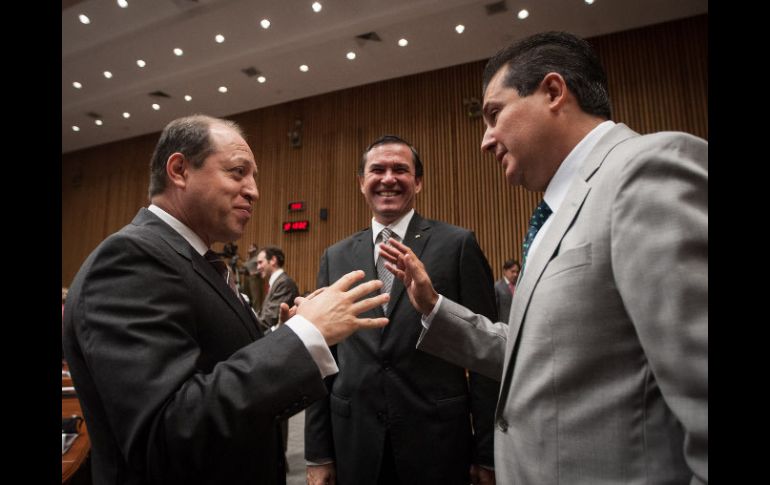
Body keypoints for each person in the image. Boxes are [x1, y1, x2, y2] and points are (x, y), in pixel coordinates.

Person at [380, 31, 707, 484]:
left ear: (553, 92)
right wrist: (433, 306)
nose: (485, 140)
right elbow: (533, 353)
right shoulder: (558, 209)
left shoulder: (643, 171)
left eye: (494, 115)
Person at [62, 114, 390, 485]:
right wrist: (302, 335)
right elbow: (169, 431)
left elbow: (213, 364)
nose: (253, 190)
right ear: (180, 170)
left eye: (254, 177)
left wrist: (282, 336)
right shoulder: (130, 258)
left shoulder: (194, 261)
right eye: (238, 172)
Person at [304, 135, 500, 485]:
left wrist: (487, 451)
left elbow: (484, 357)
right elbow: (323, 357)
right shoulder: (335, 257)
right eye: (377, 170)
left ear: (418, 182)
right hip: (355, 442)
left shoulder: (457, 245)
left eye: (401, 169)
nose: (388, 178)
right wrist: (319, 452)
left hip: (437, 442)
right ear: (362, 183)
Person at [254, 245, 300, 334]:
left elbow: (269, 321)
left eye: (260, 262)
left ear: (273, 260)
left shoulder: (284, 283)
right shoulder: (277, 282)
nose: (258, 267)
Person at [493, 259, 519, 323]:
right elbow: (495, 310)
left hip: (518, 324)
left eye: (517, 272)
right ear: (505, 271)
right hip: (504, 325)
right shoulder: (497, 287)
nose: (515, 274)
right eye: (512, 271)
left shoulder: (520, 286)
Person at [244, 242, 266, 310]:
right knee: (247, 296)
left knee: (255, 298)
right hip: (247, 278)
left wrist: (255, 273)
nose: (249, 249)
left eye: (251, 247)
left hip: (255, 279)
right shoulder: (248, 259)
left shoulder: (257, 258)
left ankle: (257, 314)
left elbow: (263, 268)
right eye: (249, 247)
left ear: (255, 249)